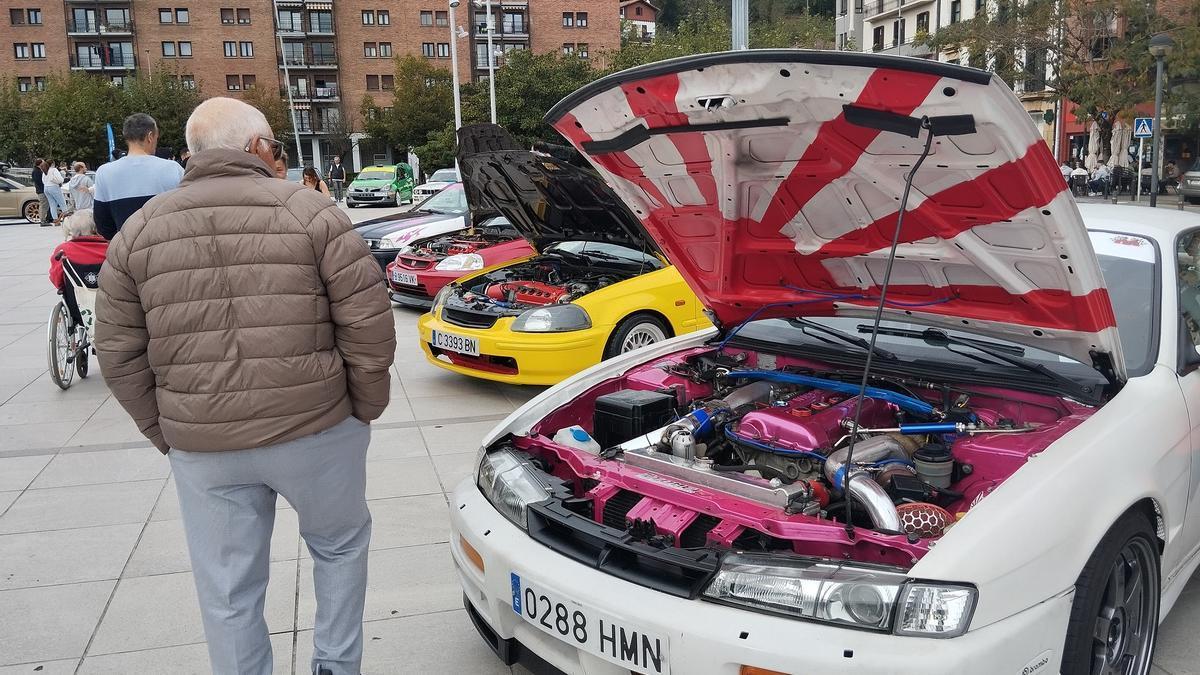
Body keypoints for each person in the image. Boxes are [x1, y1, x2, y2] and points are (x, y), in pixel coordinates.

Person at [95, 97, 395, 675]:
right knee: (338, 549)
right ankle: (335, 666)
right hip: (317, 427)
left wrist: (168, 430)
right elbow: (368, 325)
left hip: (205, 448)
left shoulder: (139, 230)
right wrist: (363, 408)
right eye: (275, 147)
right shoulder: (312, 212)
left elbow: (118, 351)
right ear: (257, 148)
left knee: (228, 590)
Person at [94, 113, 185, 240]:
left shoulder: (104, 173)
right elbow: (185, 215)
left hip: (126, 251)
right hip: (166, 248)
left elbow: (103, 226)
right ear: (150, 136)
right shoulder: (173, 168)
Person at [49, 208, 107, 291]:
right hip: (109, 300)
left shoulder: (62, 250)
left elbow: (57, 280)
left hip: (75, 300)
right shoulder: (111, 248)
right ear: (96, 227)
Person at [43, 158, 67, 224]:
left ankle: (55, 220)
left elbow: (43, 180)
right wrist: (61, 181)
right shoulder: (54, 170)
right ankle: (66, 218)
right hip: (54, 187)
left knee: (52, 204)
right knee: (62, 203)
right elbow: (60, 179)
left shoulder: (45, 170)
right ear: (53, 163)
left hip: (46, 187)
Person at [31, 158, 49, 227]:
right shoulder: (36, 171)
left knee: (45, 205)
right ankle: (42, 220)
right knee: (43, 205)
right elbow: (38, 181)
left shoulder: (39, 170)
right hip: (41, 190)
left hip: (42, 190)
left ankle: (44, 219)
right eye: (43, 162)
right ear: (40, 163)